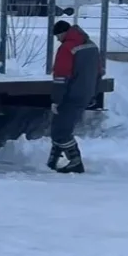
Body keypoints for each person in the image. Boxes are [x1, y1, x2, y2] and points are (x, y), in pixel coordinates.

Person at [49, 21, 102, 174]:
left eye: (58, 36)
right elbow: (98, 73)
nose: (58, 39)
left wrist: (56, 99)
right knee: (60, 127)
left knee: (61, 131)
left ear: (64, 32)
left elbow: (61, 76)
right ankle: (53, 160)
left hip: (70, 95)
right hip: (85, 93)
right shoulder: (91, 45)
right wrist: (94, 94)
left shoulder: (66, 48)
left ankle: (75, 162)